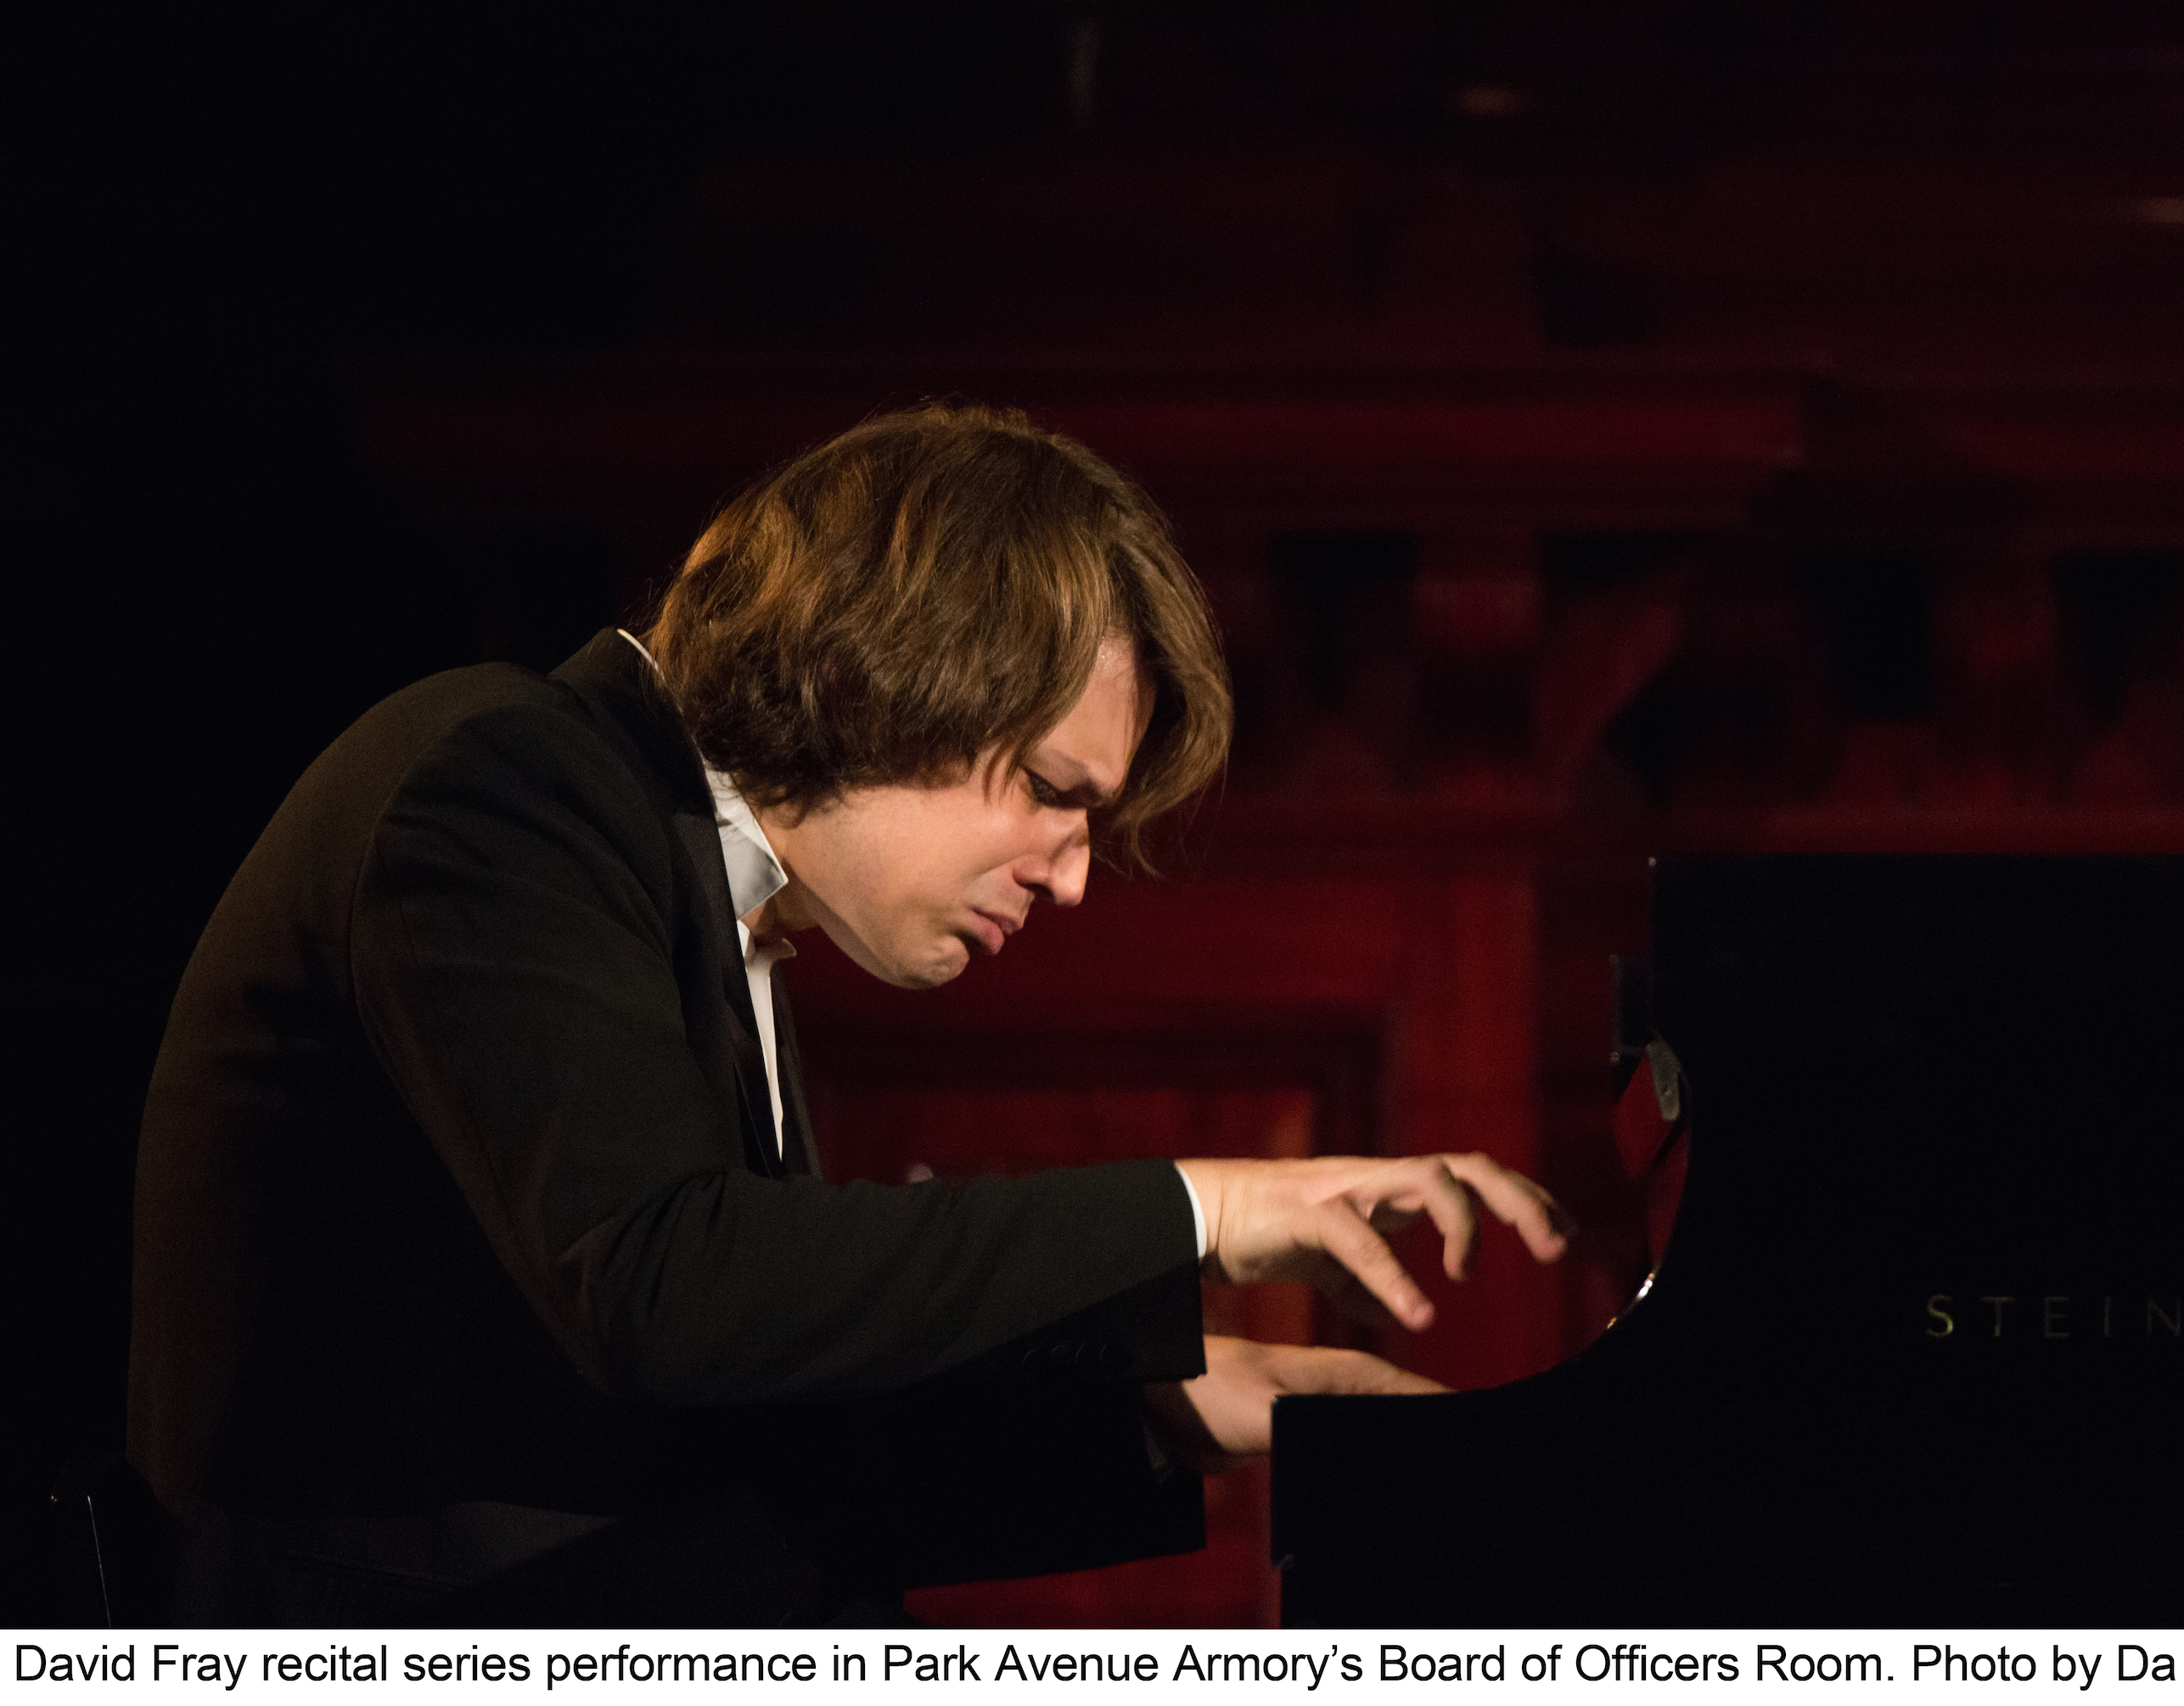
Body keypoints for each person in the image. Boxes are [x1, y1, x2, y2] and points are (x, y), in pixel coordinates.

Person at [128, 403, 1569, 1626]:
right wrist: (1201, 1208)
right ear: (873, 682)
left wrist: (1158, 1407)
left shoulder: (720, 886)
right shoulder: (503, 782)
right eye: (1052, 790)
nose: (1074, 876)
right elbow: (665, 1290)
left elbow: (750, 1409)